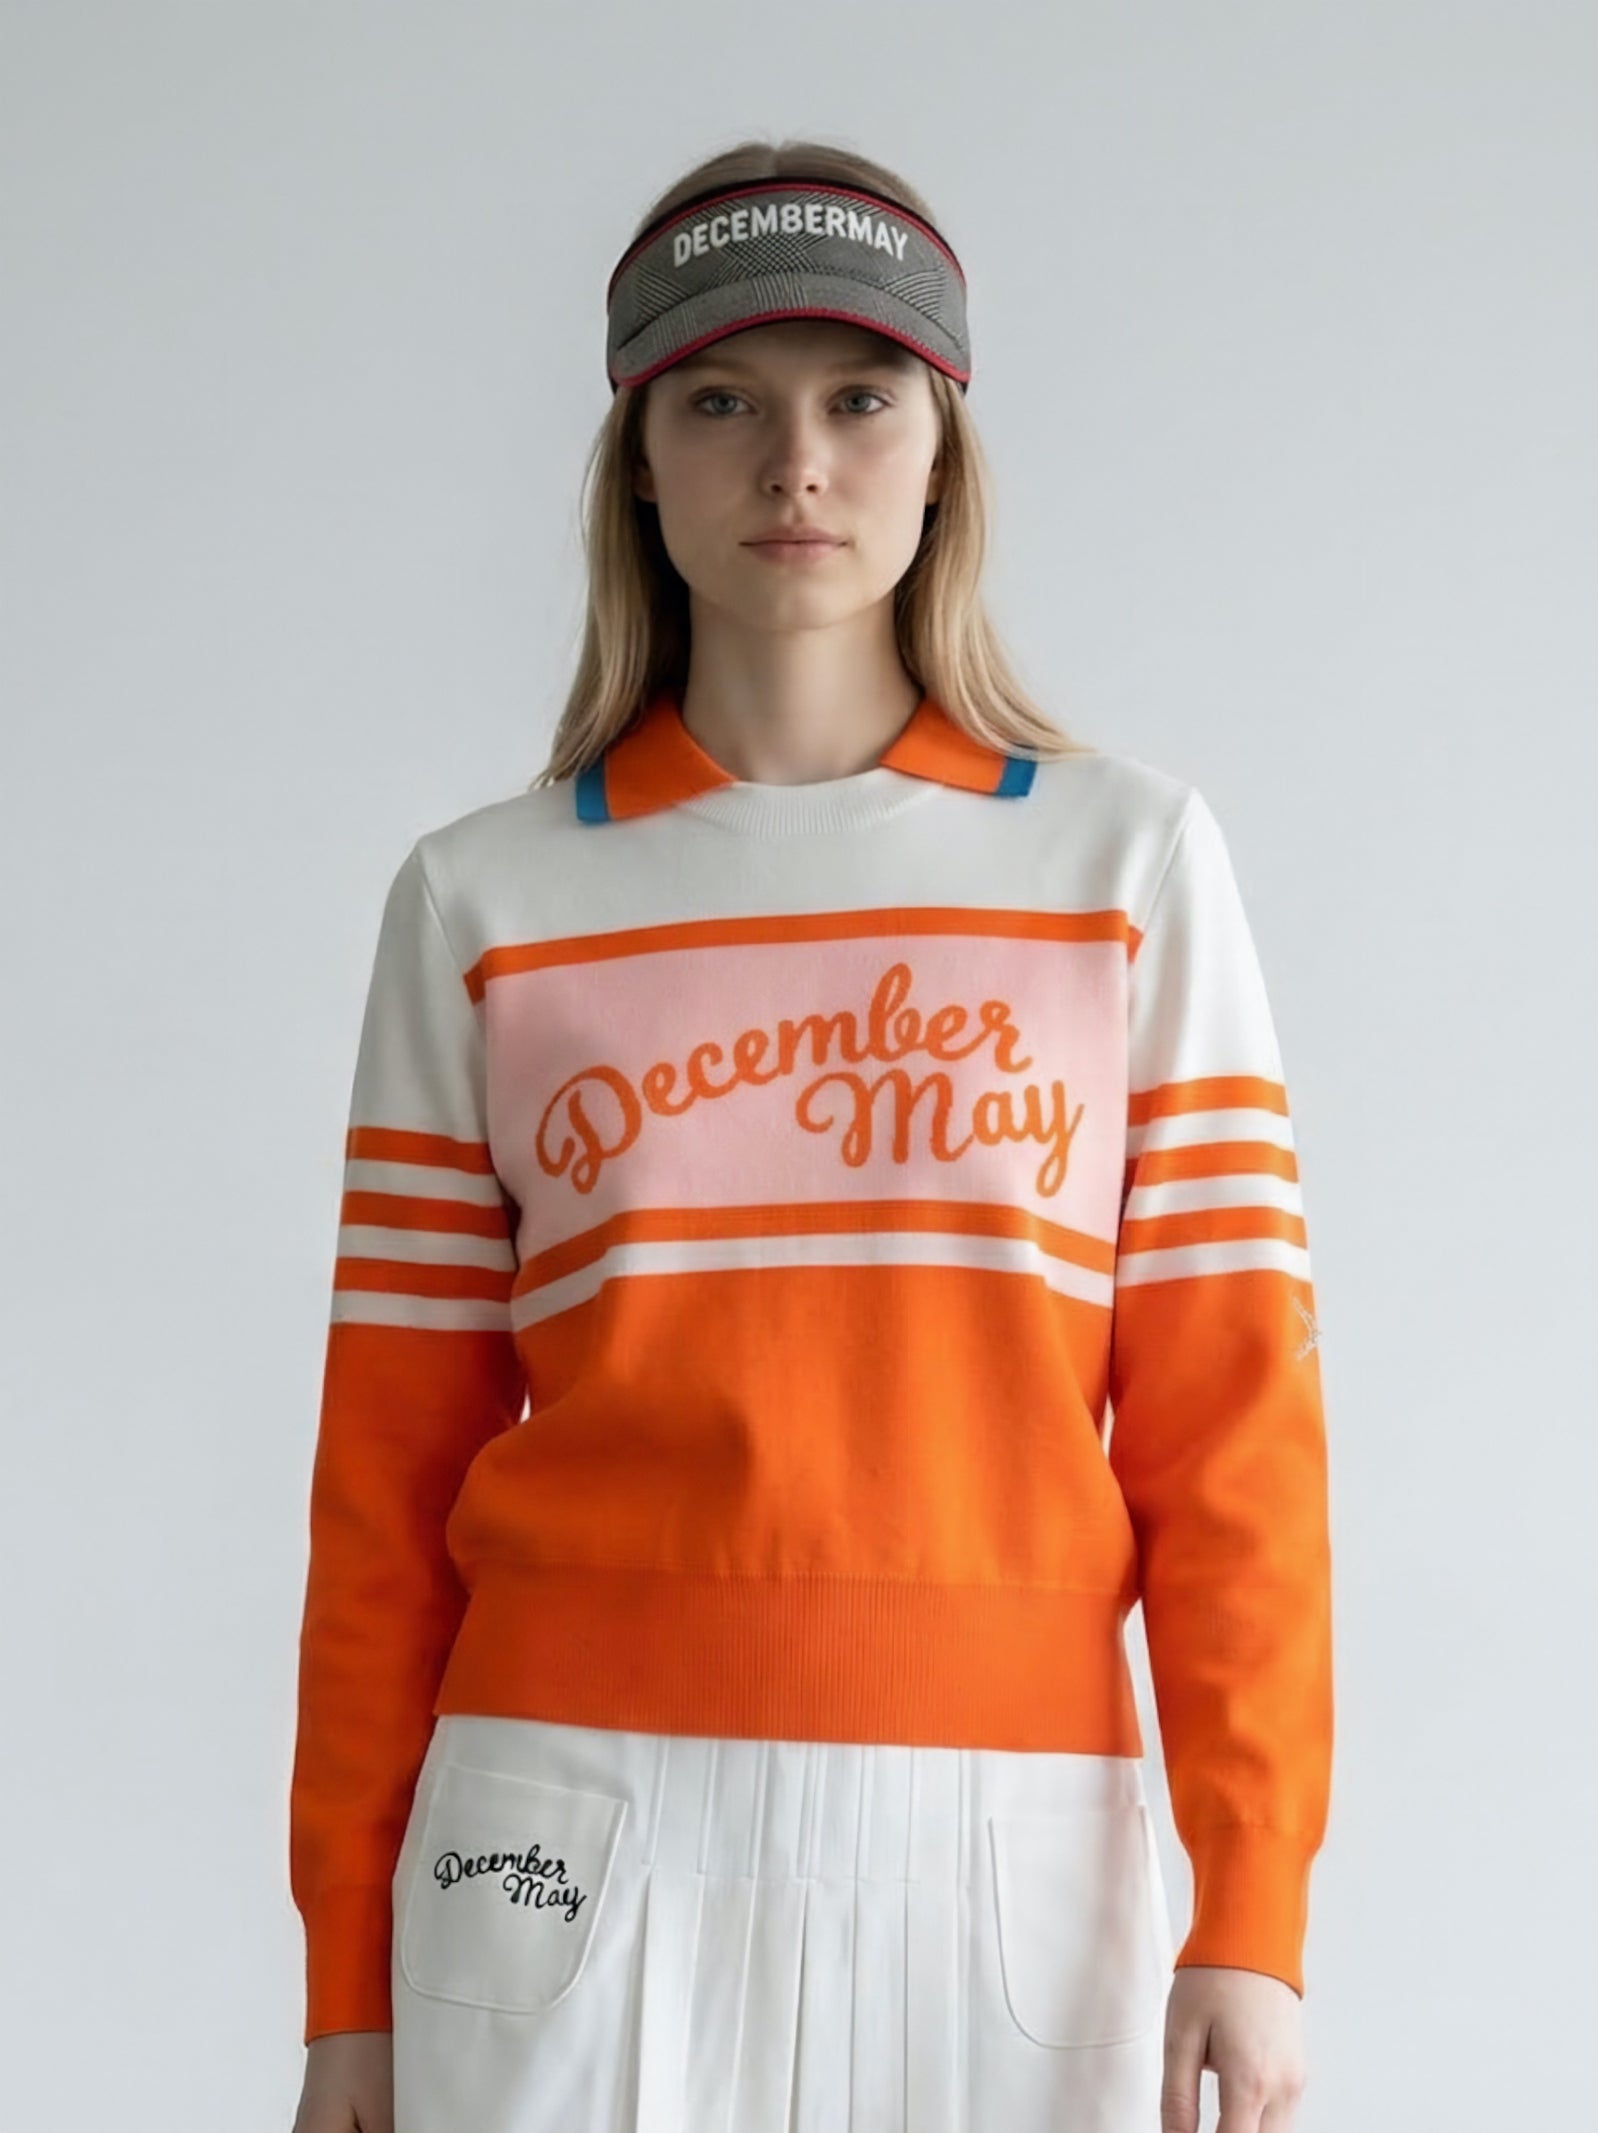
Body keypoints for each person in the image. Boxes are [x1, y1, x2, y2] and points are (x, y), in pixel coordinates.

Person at [288, 137, 1333, 2133]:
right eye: (720, 402)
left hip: (1009, 1844)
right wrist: (346, 1979)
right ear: (637, 458)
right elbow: (383, 1485)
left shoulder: (1121, 869)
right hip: (556, 1820)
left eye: (859, 399)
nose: (795, 464)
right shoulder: (484, 900)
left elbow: (1232, 1436)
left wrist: (1253, 1910)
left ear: (942, 452)